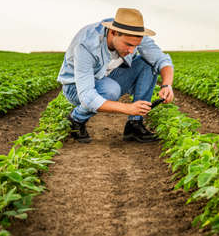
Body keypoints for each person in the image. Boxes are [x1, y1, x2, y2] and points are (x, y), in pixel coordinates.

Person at [57, 8, 174, 144]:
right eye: (128, 45)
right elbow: (87, 96)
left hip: (107, 77)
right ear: (113, 32)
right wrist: (128, 108)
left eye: (135, 46)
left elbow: (161, 60)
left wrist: (167, 84)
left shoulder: (133, 34)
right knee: (110, 90)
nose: (131, 51)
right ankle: (76, 119)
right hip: (75, 87)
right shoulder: (86, 44)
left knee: (148, 63)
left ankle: (134, 125)